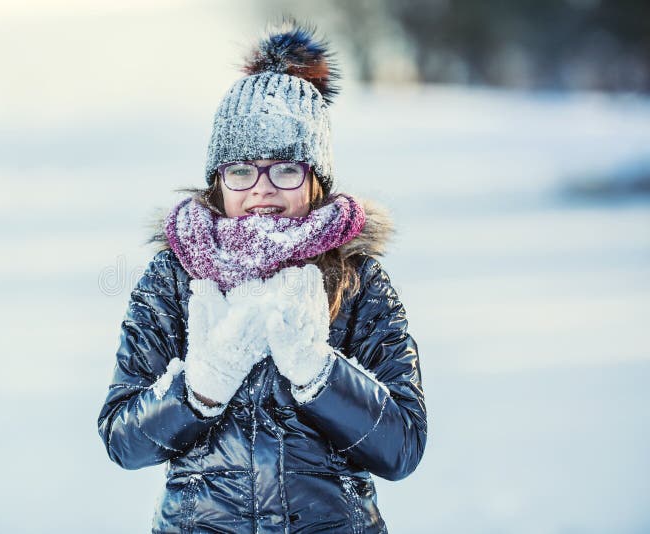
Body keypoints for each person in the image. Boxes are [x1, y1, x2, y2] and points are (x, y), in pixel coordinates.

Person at [97, 19, 427, 533]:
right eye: (242, 171)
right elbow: (123, 438)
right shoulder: (175, 276)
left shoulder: (359, 280)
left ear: (316, 178)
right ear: (218, 181)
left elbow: (402, 447)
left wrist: (319, 375)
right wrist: (199, 389)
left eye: (286, 168)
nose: (262, 190)